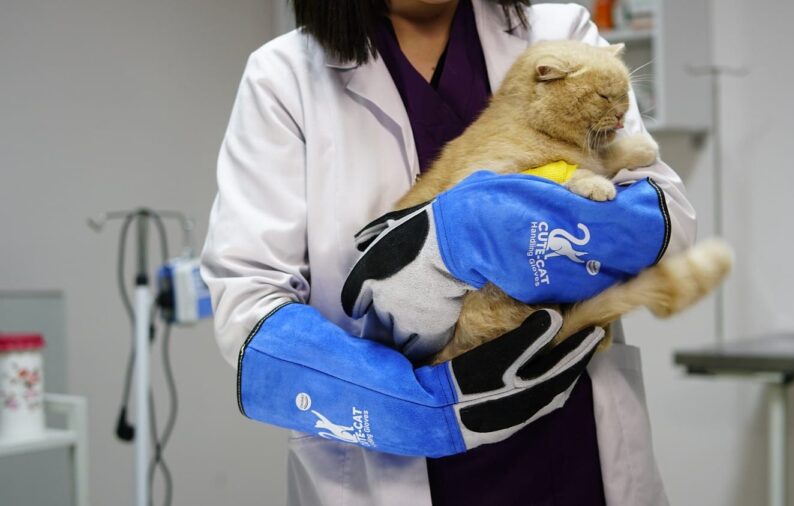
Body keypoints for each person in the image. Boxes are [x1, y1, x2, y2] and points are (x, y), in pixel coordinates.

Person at [201, 1, 696, 505]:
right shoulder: (283, 77)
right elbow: (250, 303)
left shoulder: (557, 32)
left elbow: (669, 219)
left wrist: (494, 230)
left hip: (568, 441)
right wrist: (414, 407)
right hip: (395, 459)